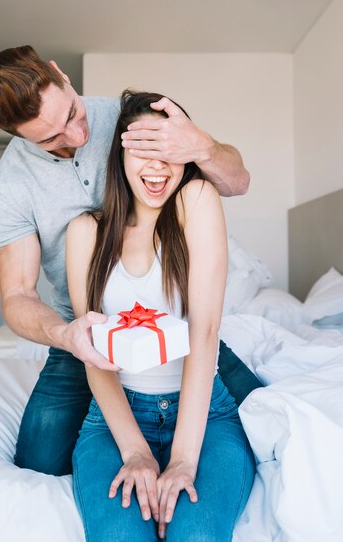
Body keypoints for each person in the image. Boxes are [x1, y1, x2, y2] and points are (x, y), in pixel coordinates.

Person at [0, 45, 259, 476]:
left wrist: (203, 145)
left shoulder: (132, 119)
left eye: (71, 114)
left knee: (266, 422)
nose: (76, 136)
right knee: (39, 462)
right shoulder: (8, 188)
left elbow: (237, 182)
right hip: (85, 331)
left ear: (60, 74)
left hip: (173, 319)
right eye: (50, 138)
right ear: (13, 133)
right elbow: (16, 295)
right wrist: (67, 335)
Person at [67, 90, 255, 542]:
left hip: (206, 415)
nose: (157, 167)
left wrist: (184, 460)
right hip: (116, 418)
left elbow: (205, 331)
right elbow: (92, 354)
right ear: (119, 155)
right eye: (143, 151)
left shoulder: (196, 199)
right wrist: (135, 451)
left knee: (197, 536)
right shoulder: (84, 232)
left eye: (169, 151)